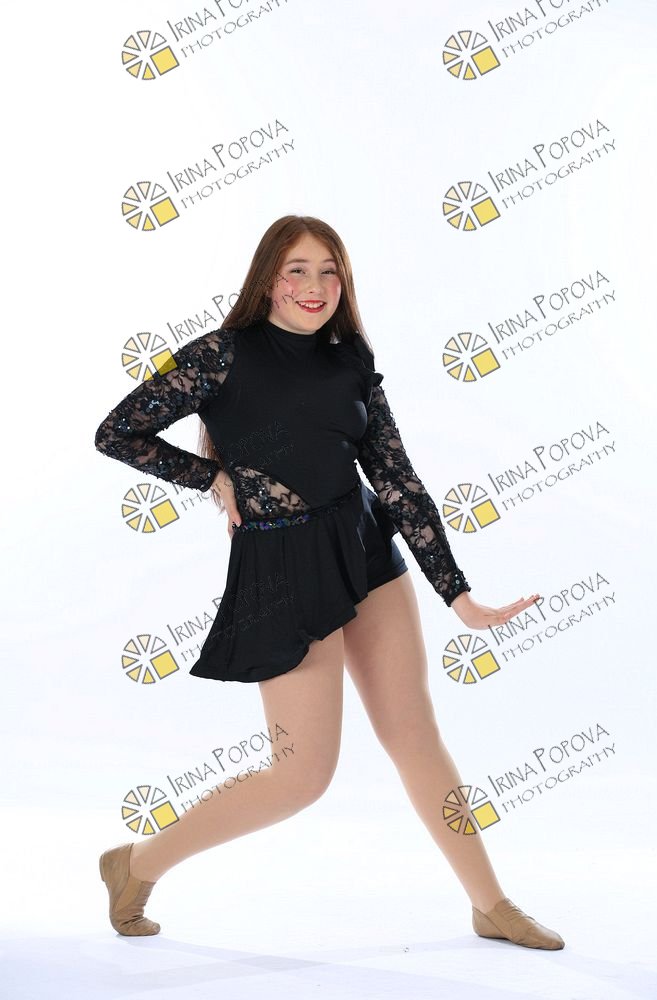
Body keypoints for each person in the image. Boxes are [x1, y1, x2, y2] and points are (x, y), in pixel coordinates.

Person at [94, 215, 564, 950]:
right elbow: (116, 432)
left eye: (328, 271)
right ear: (267, 281)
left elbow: (397, 480)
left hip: (364, 549)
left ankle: (490, 903)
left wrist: (458, 595)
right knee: (301, 776)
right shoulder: (221, 355)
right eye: (297, 270)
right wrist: (214, 477)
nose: (314, 286)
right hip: (281, 567)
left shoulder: (351, 360)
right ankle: (135, 865)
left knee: (413, 732)